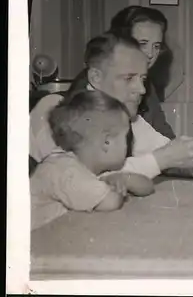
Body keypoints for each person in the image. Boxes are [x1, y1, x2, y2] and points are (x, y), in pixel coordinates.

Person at [30, 32, 193, 180]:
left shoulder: (129, 120)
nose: (141, 89)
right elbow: (76, 180)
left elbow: (186, 165)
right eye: (129, 78)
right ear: (95, 76)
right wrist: (162, 159)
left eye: (142, 78)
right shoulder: (54, 108)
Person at [30, 90, 152, 230]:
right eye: (126, 137)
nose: (130, 143)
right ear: (106, 142)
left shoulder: (89, 168)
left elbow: (147, 186)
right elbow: (110, 202)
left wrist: (125, 179)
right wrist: (116, 189)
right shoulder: (63, 169)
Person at [69, 5, 182, 139]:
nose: (151, 54)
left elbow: (163, 134)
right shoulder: (93, 84)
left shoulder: (146, 87)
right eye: (142, 43)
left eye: (156, 46)